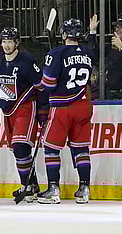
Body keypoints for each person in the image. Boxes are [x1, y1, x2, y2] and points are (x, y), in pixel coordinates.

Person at [0, 27, 47, 202]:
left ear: (17, 42)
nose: (6, 45)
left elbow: (41, 87)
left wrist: (43, 109)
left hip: (25, 106)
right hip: (7, 110)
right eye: (4, 41)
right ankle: (32, 184)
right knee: (17, 150)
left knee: (21, 147)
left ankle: (25, 186)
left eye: (10, 41)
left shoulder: (27, 61)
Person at [40, 18, 95, 204]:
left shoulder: (57, 52)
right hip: (84, 105)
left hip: (63, 106)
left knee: (51, 148)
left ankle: (53, 189)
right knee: (81, 148)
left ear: (64, 34)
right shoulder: (88, 53)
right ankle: (84, 188)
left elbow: (48, 83)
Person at [88, 14, 122, 100]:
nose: (117, 30)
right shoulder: (111, 47)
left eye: (120, 27)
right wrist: (92, 32)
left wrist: (121, 47)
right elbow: (94, 53)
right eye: (116, 27)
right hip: (109, 92)